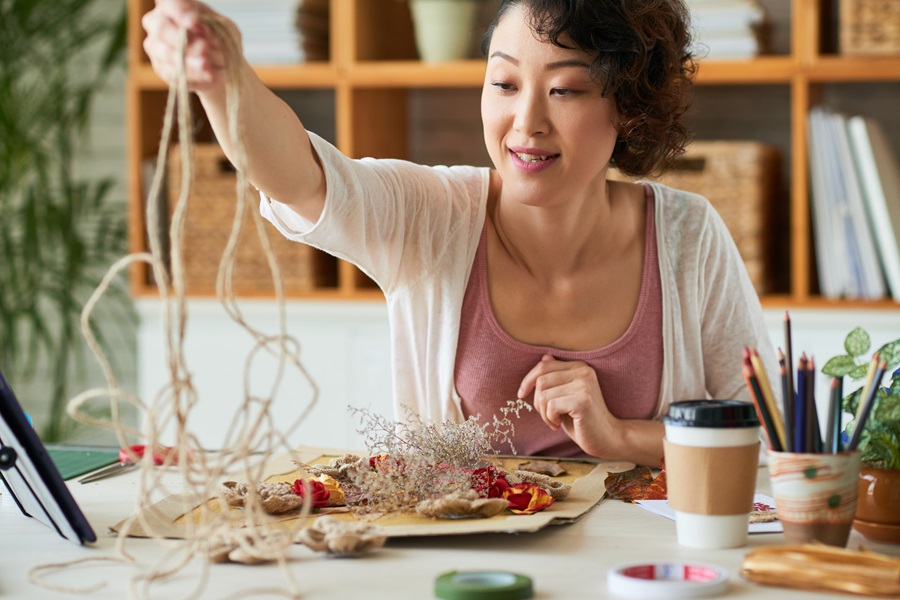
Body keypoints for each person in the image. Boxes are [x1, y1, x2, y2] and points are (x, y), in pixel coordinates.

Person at [142, 0, 777, 467]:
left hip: (643, 571)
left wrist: (618, 436)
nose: (524, 122)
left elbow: (766, 434)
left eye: (564, 89)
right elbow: (302, 178)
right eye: (503, 83)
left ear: (629, 107)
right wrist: (223, 80)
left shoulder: (690, 238)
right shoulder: (431, 215)